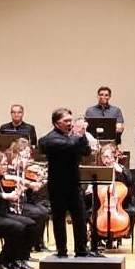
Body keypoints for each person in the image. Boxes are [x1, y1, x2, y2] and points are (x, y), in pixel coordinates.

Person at [38, 108, 94, 257]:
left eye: (71, 120)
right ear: (56, 123)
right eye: (66, 121)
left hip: (74, 183)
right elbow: (69, 145)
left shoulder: (72, 137)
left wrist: (80, 135)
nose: (69, 123)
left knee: (80, 216)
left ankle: (81, 249)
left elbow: (87, 151)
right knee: (58, 218)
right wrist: (79, 135)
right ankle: (61, 250)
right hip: (57, 185)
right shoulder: (51, 138)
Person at [86, 143, 135, 248]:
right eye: (105, 157)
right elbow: (88, 188)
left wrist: (120, 171)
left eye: (110, 156)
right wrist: (90, 188)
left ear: (115, 157)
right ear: (101, 158)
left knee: (132, 211)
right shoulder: (98, 170)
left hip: (120, 204)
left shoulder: (121, 169)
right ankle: (95, 237)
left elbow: (131, 182)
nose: (107, 160)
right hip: (100, 204)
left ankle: (123, 234)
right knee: (89, 212)